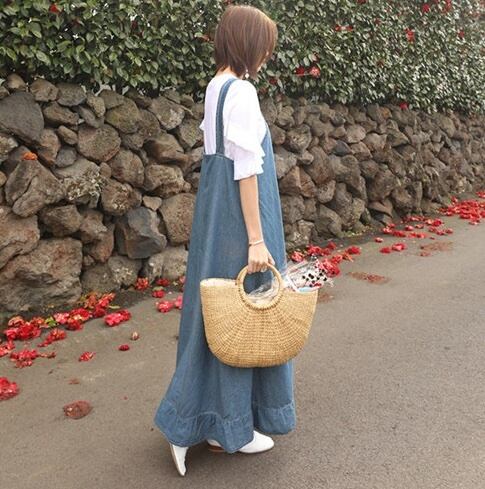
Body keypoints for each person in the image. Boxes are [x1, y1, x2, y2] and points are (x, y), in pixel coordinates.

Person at [153, 4, 295, 476]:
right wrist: (256, 239)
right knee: (245, 314)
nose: (267, 54)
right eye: (265, 46)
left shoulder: (216, 87)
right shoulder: (244, 92)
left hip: (214, 217)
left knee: (213, 315)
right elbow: (246, 169)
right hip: (240, 218)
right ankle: (216, 425)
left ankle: (215, 423)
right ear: (249, 44)